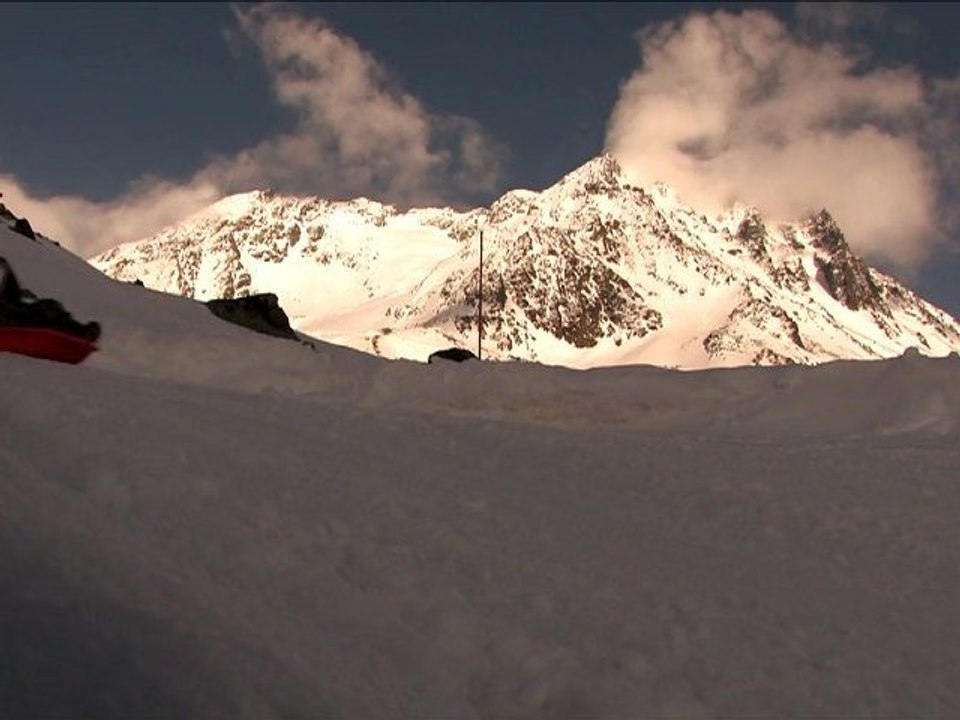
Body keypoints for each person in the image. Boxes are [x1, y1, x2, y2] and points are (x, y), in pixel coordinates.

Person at [0, 257, 100, 342]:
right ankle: (80, 332)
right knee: (42, 317)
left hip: (16, 308)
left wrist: (20, 292)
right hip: (10, 317)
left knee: (50, 307)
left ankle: (82, 331)